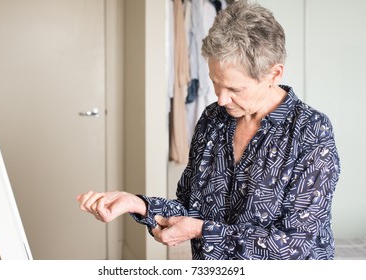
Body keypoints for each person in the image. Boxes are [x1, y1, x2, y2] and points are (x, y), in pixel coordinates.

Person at [76, 0, 340, 260]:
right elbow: (190, 208)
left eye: (235, 89)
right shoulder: (213, 118)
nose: (221, 99)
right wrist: (136, 204)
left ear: (274, 74)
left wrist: (202, 230)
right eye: (215, 83)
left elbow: (295, 244)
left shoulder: (311, 131)